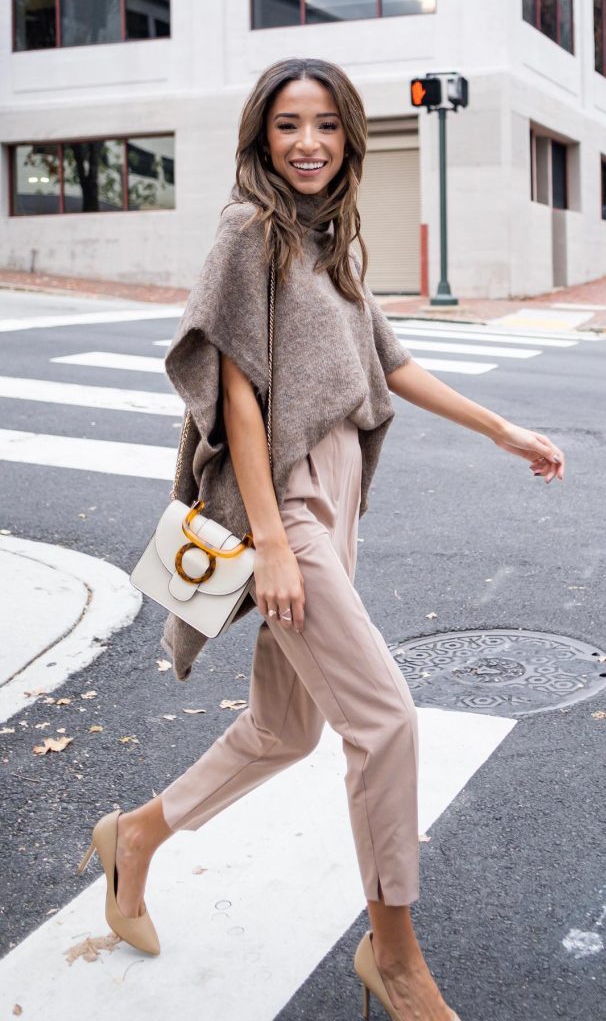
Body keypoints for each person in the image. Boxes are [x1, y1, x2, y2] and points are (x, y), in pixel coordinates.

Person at [77, 57, 565, 1021]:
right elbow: (240, 396)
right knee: (384, 721)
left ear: (349, 137)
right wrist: (267, 538)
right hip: (284, 501)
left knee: (284, 729)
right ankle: (392, 955)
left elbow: (390, 361)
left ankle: (133, 838)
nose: (308, 142)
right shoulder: (247, 232)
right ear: (261, 133)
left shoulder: (327, 236)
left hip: (334, 490)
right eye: (289, 124)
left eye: (327, 125)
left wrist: (500, 429)